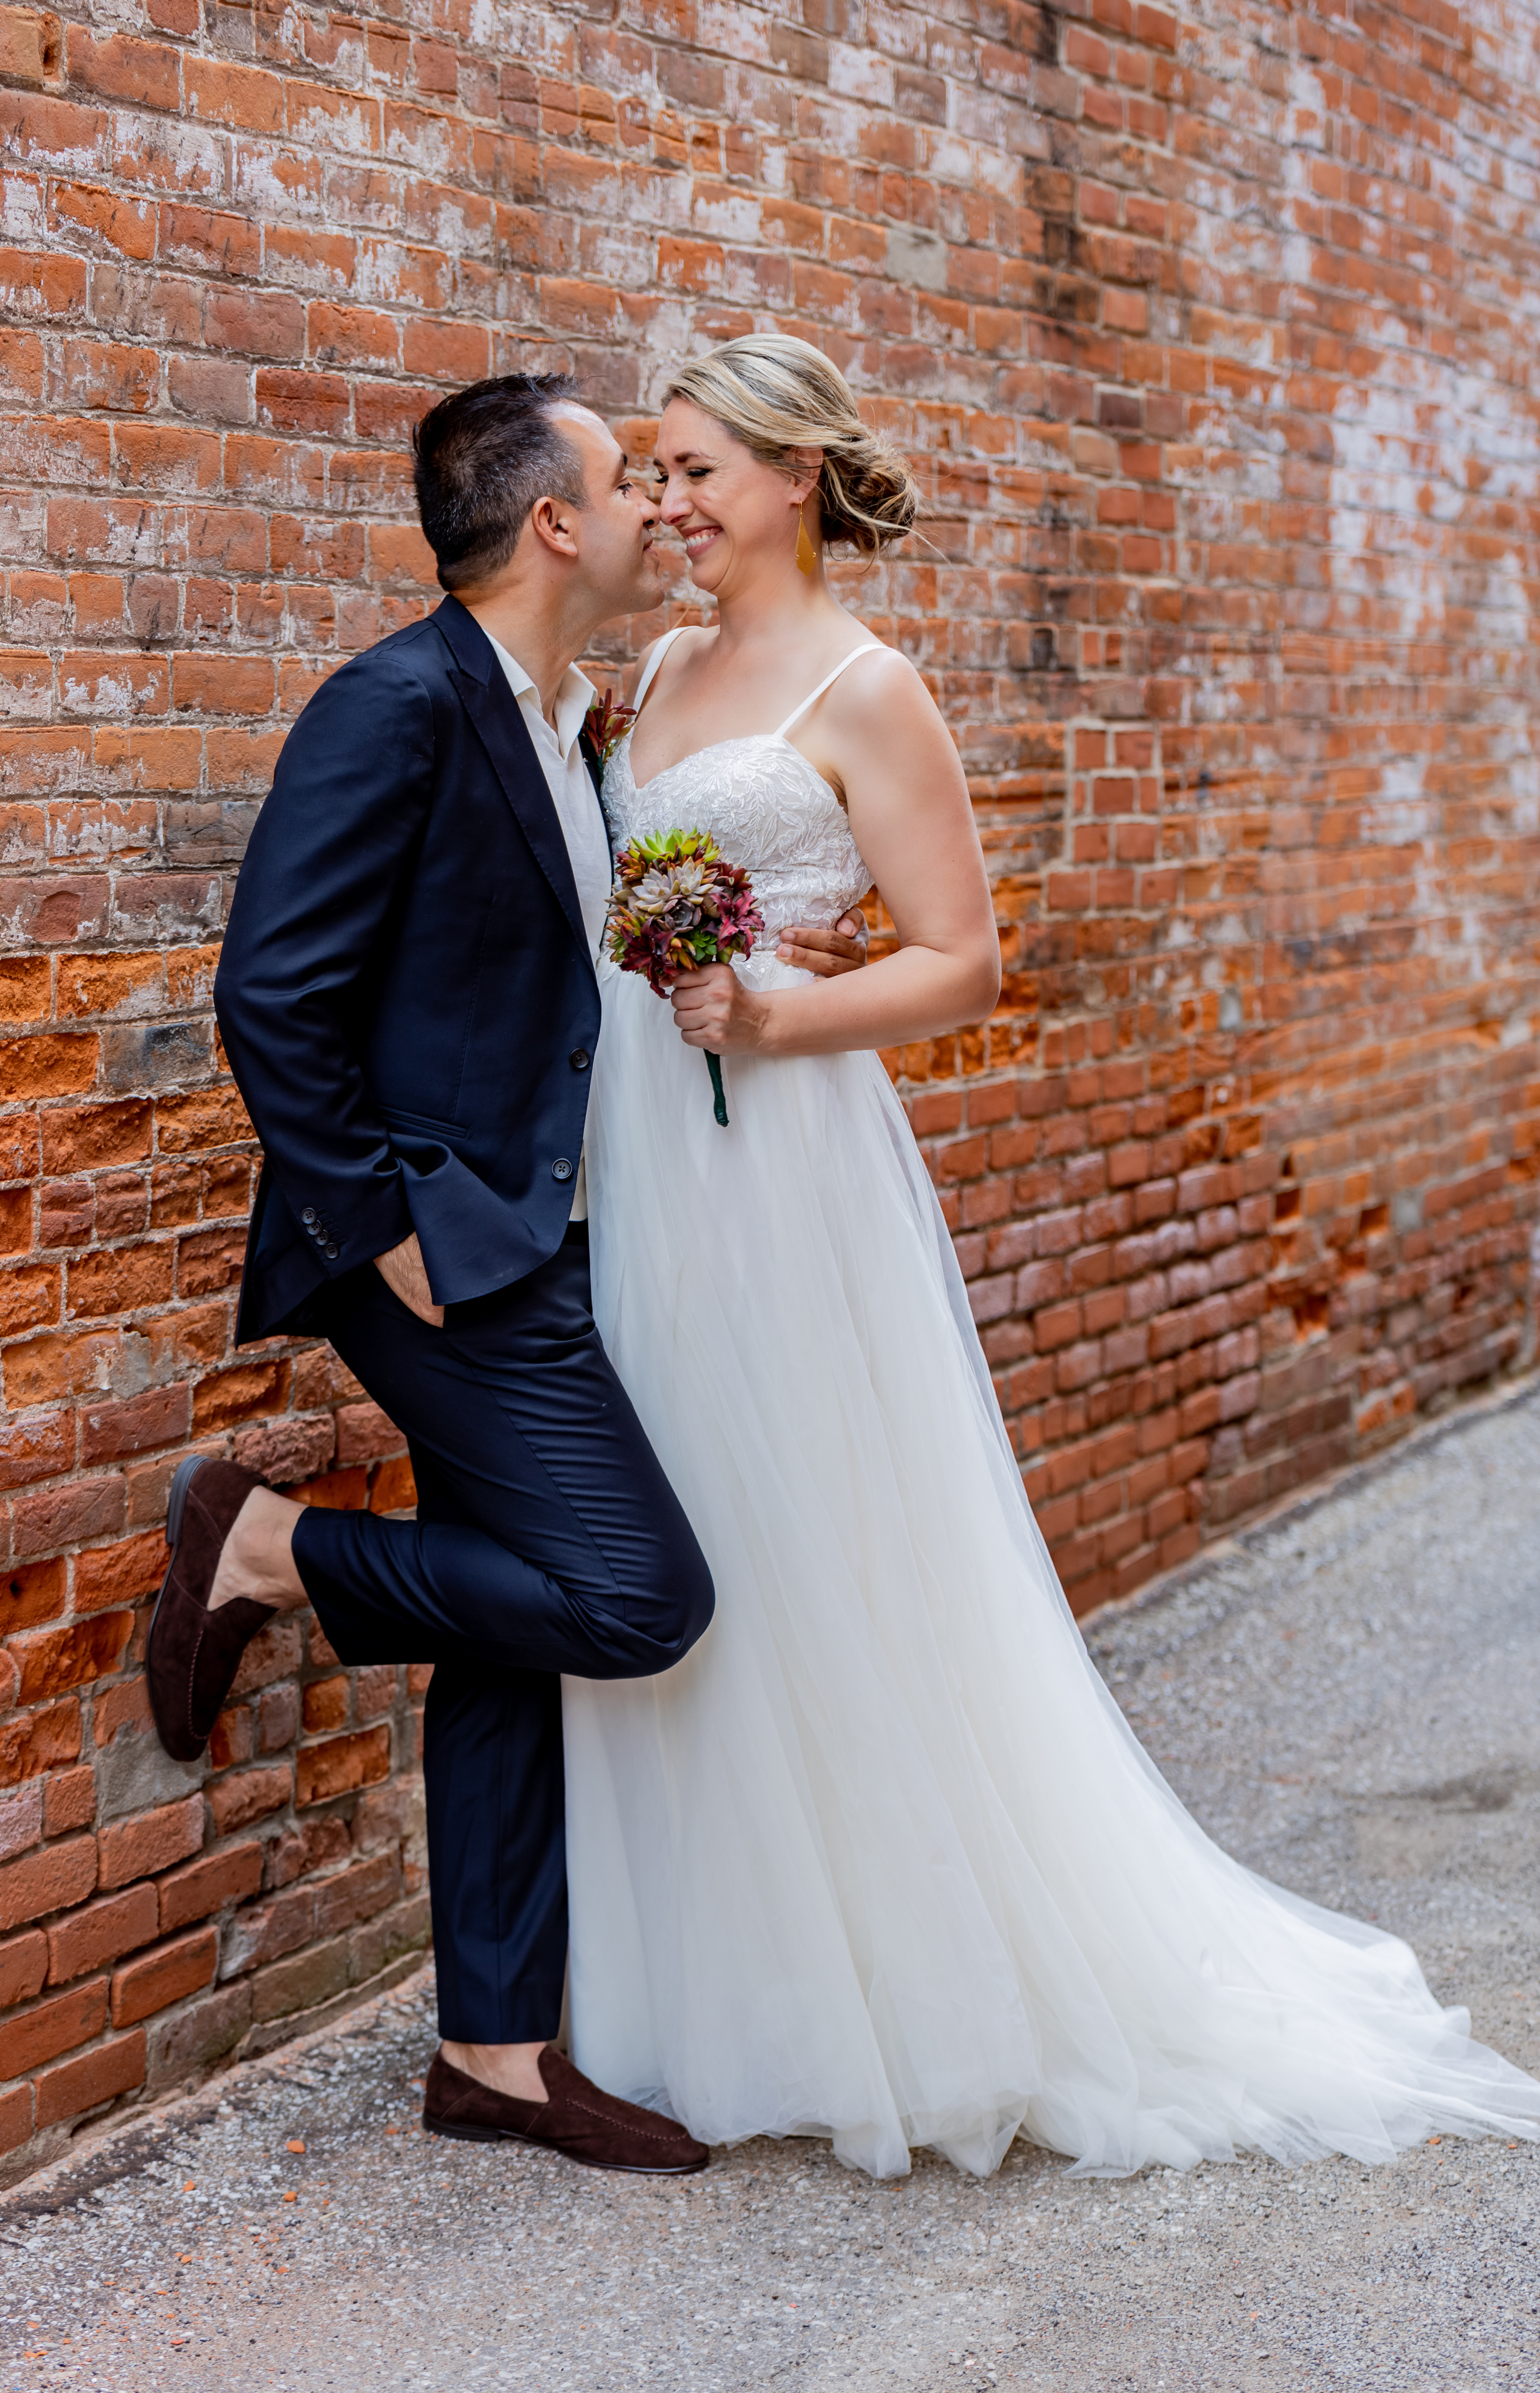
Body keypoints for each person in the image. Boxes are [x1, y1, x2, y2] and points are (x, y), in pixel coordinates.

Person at [562, 333, 1540, 2179]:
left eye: (695, 471)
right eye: (654, 475)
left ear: (791, 476)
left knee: (808, 1533)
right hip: (648, 1146)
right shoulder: (666, 667)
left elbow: (966, 960)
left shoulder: (869, 688)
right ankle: (707, 1981)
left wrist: (769, 1023)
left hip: (779, 1151)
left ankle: (888, 1981)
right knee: (678, 1512)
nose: (667, 505)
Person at [144, 371, 869, 2175]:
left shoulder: (563, 716)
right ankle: (263, 1544)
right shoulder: (393, 705)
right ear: (555, 523)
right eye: (633, 480)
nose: (659, 507)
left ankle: (494, 2055)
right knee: (638, 1599)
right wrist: (385, 1232)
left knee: (511, 1640)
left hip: (556, 1235)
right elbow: (271, 994)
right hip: (451, 1261)